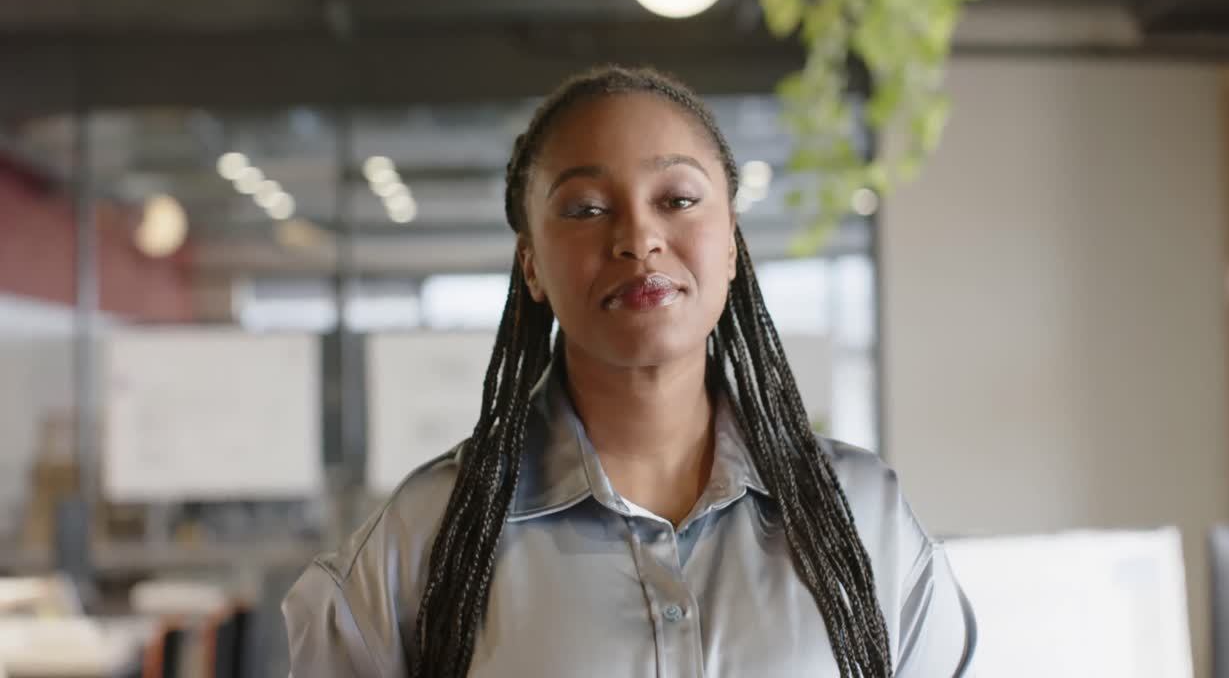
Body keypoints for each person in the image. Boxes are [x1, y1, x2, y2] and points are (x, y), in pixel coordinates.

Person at [282, 66, 975, 678]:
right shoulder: (423, 540)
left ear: (731, 244)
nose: (639, 239)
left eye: (677, 200)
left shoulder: (864, 516)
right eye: (587, 208)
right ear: (531, 265)